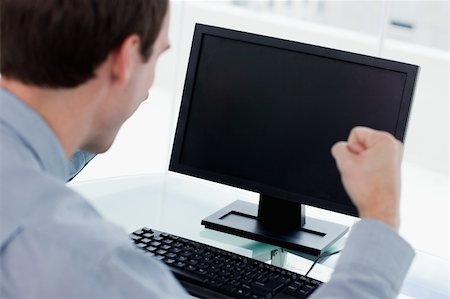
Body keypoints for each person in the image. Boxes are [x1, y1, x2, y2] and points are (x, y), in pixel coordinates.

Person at [0, 0, 414, 298]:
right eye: (157, 56)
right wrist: (380, 213)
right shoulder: (85, 262)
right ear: (124, 60)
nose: (147, 89)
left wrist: (86, 116)